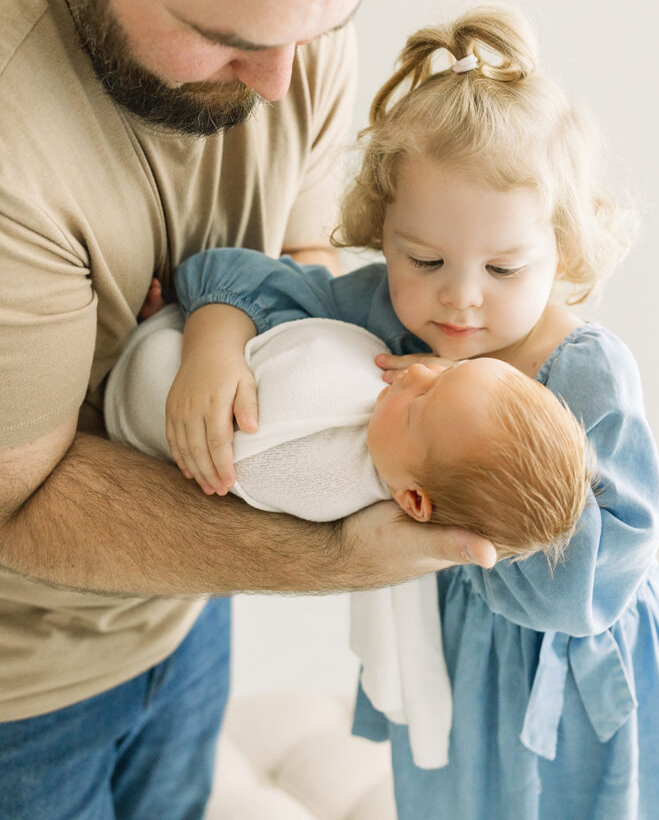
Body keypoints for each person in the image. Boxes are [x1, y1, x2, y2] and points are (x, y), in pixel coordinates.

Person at [0, 0, 496, 818]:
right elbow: (18, 504)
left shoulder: (285, 23)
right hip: (23, 699)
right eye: (224, 38)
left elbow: (299, 270)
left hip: (184, 622)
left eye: (319, 25)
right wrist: (328, 555)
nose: (279, 83)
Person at [142, 2, 659, 816]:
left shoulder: (585, 374)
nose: (459, 299)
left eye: (503, 268)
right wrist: (214, 343)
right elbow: (251, 277)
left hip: (572, 670)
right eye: (423, 257)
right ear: (381, 233)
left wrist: (448, 530)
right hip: (450, 651)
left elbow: (607, 564)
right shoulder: (394, 316)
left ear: (561, 252)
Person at [105, 280, 592, 768]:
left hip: (142, 396)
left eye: (425, 399)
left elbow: (235, 452)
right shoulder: (405, 443)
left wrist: (176, 331)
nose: (420, 370)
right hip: (187, 344)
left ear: (415, 500)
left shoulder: (325, 472)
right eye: (447, 373)